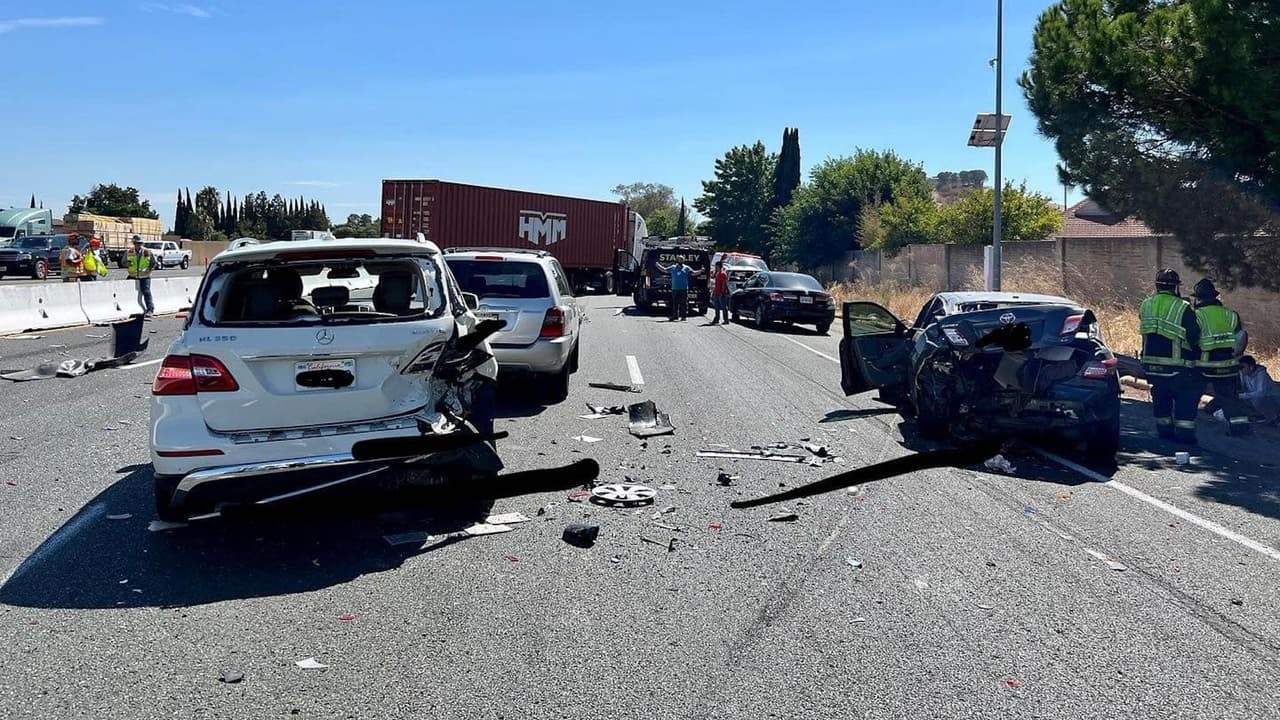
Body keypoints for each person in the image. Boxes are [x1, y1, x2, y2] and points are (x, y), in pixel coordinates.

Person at [1138, 269, 1201, 444]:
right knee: (1185, 400)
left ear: (1157, 286)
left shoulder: (1146, 304)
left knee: (1161, 398)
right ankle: (1185, 435)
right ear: (1175, 287)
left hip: (1151, 364)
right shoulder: (1182, 307)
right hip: (1177, 365)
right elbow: (1194, 334)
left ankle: (1164, 432)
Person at [1192, 278, 1251, 436]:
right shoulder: (1231, 315)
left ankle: (1186, 425)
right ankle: (1240, 429)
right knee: (1230, 399)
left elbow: (1192, 340)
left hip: (1204, 365)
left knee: (1191, 394)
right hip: (1227, 365)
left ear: (1198, 298)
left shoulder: (1196, 315)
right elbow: (1239, 337)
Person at [1238, 356, 1280, 425]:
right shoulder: (1245, 375)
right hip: (1264, 399)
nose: (1240, 370)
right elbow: (1244, 389)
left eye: (1242, 367)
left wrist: (1242, 396)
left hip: (1273, 399)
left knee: (1257, 399)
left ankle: (1273, 418)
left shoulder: (1261, 374)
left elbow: (1261, 393)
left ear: (1251, 367)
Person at [126, 235, 155, 317]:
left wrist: (149, 269)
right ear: (134, 243)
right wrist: (127, 264)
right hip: (133, 275)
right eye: (136, 243)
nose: (138, 245)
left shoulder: (147, 252)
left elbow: (153, 262)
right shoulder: (129, 252)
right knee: (126, 289)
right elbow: (123, 262)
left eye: (140, 243)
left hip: (145, 276)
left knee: (146, 291)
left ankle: (150, 309)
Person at [711, 260, 730, 324]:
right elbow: (716, 284)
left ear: (719, 266)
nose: (715, 268)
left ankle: (726, 320)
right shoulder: (717, 273)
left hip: (721, 293)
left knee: (723, 307)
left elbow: (724, 284)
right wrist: (714, 292)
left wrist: (722, 292)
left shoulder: (723, 274)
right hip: (716, 292)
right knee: (716, 307)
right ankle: (716, 319)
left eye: (716, 266)